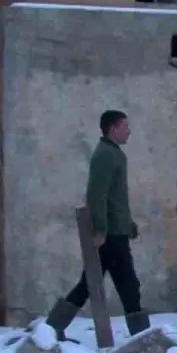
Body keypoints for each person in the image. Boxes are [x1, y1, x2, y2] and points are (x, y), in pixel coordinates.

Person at [45, 110, 149, 340]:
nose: (129, 131)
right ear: (113, 129)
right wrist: (101, 229)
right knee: (128, 285)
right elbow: (96, 195)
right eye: (125, 126)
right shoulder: (106, 155)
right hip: (110, 236)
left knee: (89, 284)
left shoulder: (113, 153)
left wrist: (127, 223)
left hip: (116, 231)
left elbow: (114, 198)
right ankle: (143, 337)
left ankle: (50, 329)